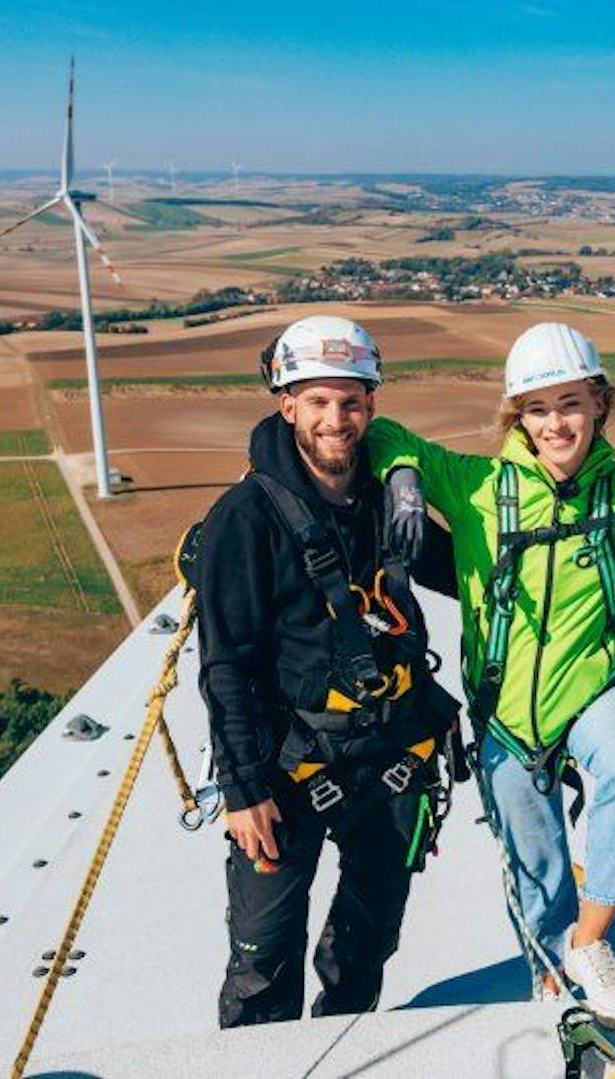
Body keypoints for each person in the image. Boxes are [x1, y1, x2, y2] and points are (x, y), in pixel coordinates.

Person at [368, 322, 615, 1029]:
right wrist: (405, 477)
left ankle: (590, 942)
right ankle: (547, 960)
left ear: (599, 403)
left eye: (571, 402)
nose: (556, 422)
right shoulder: (476, 487)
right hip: (504, 706)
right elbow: (383, 434)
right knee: (533, 859)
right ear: (517, 418)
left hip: (595, 684)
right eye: (537, 408)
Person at [196, 314, 462, 1027]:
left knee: (369, 937)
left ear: (372, 405)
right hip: (288, 768)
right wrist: (243, 787)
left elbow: (473, 572)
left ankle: (345, 1039)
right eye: (316, 401)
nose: (335, 419)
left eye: (350, 401)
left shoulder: (383, 499)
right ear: (286, 405)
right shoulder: (245, 519)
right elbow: (225, 665)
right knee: (263, 962)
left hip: (390, 754)